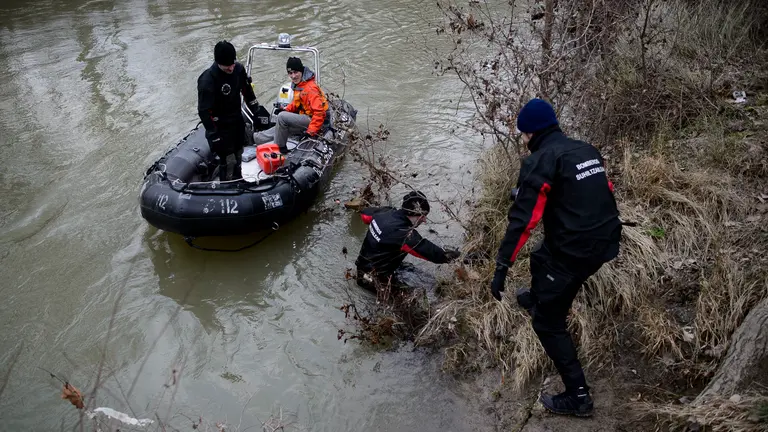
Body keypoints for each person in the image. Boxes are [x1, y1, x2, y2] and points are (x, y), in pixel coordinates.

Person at [490, 98, 622, 417]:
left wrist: (502, 267)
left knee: (547, 323)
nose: (522, 140)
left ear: (533, 133)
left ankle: (578, 397)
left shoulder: (540, 161)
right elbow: (604, 188)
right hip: (606, 239)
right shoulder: (584, 149)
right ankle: (538, 295)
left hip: (576, 253)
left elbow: (523, 222)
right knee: (541, 254)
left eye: (523, 134)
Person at [355, 191, 461, 292]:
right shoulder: (404, 234)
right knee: (422, 291)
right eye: (422, 216)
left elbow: (364, 215)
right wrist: (461, 257)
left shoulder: (385, 212)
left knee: (415, 273)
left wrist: (378, 231)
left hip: (362, 269)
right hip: (374, 280)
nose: (424, 220)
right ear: (412, 214)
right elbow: (434, 254)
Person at [197, 40, 260, 181]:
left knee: (239, 155)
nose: (231, 68)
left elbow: (247, 91)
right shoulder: (207, 80)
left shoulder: (238, 69)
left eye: (232, 64)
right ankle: (226, 185)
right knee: (228, 160)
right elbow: (203, 111)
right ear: (218, 62)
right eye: (227, 66)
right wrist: (214, 134)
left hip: (236, 121)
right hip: (220, 126)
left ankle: (239, 180)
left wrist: (256, 109)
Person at [273, 56, 328, 154]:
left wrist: (310, 132)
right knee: (280, 125)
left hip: (312, 120)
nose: (293, 76)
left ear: (301, 71)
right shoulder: (300, 85)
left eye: (296, 72)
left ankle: (279, 149)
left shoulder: (310, 88)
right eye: (290, 73)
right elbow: (297, 103)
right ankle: (255, 138)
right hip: (305, 117)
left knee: (281, 118)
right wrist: (286, 109)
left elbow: (319, 113)